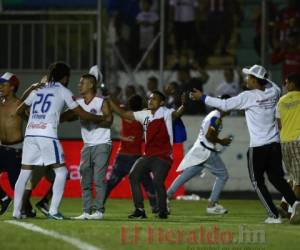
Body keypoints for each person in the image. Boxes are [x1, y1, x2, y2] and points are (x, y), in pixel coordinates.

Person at [190, 64, 300, 224]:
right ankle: (295, 203)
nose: (246, 79)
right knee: (277, 178)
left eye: (249, 76)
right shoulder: (274, 91)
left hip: (258, 146)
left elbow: (225, 105)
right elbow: (271, 83)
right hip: (275, 144)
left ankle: (274, 216)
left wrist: (203, 97)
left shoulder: (248, 96)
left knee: (257, 181)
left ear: (255, 80)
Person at [12, 62, 107, 220]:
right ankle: (53, 211)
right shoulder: (64, 91)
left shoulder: (38, 90)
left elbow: (19, 110)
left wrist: (33, 121)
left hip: (30, 134)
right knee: (62, 172)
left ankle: (16, 212)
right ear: (65, 77)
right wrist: (101, 118)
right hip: (47, 135)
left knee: (24, 173)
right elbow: (80, 113)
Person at [109, 90, 186, 219]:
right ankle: (139, 210)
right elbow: (123, 114)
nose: (150, 100)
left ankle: (162, 211)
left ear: (161, 103)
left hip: (163, 155)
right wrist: (109, 100)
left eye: (154, 99)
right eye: (150, 98)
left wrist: (184, 104)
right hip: (148, 155)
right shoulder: (144, 114)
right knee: (133, 176)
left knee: (157, 181)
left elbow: (177, 114)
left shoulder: (166, 112)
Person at [58, 74, 112, 220]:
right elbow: (66, 117)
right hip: (87, 145)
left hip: (102, 143)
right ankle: (87, 211)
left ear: (91, 85)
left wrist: (89, 118)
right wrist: (57, 114)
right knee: (85, 179)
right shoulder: (79, 103)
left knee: (99, 179)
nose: (79, 85)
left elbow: (109, 121)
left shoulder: (102, 102)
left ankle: (99, 211)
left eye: (82, 83)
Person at [167, 95, 232, 214]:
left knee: (185, 175)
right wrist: (222, 141)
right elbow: (209, 136)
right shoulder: (216, 117)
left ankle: (165, 198)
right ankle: (212, 205)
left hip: (200, 149)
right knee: (223, 175)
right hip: (206, 151)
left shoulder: (213, 114)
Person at [103, 94, 158, 213]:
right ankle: (155, 207)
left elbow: (116, 108)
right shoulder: (143, 117)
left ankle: (99, 205)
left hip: (122, 156)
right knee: (147, 183)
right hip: (137, 157)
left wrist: (108, 98)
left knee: (111, 183)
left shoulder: (125, 114)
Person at [276, 73, 300, 216]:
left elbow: (279, 124)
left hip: (284, 142)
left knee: (292, 177)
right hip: (298, 141)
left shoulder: (281, 100)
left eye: (286, 82)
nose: (285, 85)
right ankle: (295, 212)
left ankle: (284, 206)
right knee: (299, 180)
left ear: (292, 84)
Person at [0, 72, 22, 215]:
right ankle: (4, 198)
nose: (1, 87)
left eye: (4, 84)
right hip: (1, 148)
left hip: (16, 150)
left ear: (13, 87)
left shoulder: (20, 105)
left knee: (17, 186)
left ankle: (27, 208)